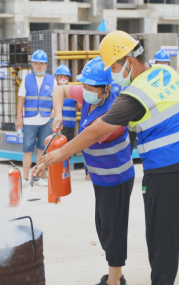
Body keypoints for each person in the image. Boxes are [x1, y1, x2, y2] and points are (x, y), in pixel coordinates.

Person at [34, 31, 179, 285]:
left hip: (167, 174)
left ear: (129, 62)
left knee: (163, 245)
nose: (114, 73)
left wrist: (60, 153)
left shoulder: (134, 94)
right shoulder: (167, 73)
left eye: (116, 67)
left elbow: (97, 130)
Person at [52, 57, 133, 285]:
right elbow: (61, 90)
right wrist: (58, 114)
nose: (84, 91)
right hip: (101, 177)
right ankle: (117, 274)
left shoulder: (113, 113)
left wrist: (56, 156)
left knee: (113, 229)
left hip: (116, 178)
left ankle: (115, 281)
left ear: (106, 88)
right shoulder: (93, 94)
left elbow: (88, 138)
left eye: (90, 87)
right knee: (104, 227)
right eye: (84, 86)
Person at [15, 50, 55, 187]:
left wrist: (54, 113)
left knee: (41, 150)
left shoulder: (52, 80)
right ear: (32, 64)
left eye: (41, 63)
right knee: (27, 150)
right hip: (29, 121)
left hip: (46, 120)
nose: (38, 66)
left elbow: (56, 98)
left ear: (46, 65)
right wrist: (18, 118)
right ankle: (25, 178)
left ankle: (37, 178)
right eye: (36, 63)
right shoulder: (26, 79)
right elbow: (21, 100)